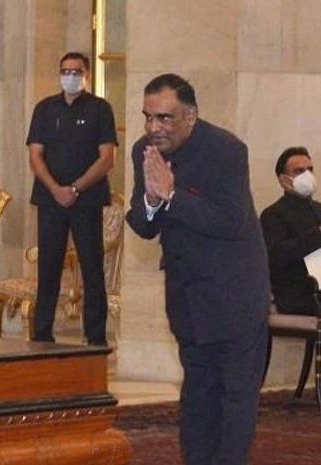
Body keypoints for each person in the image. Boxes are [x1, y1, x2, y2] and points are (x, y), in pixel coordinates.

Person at [125, 73, 269, 465]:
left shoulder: (226, 151)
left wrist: (171, 195)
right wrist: (153, 201)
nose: (154, 128)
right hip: (188, 297)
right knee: (197, 397)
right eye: (148, 117)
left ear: (191, 116)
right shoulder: (145, 149)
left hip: (235, 295)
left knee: (235, 397)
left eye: (165, 118)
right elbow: (143, 223)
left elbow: (230, 221)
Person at [26, 52, 117, 345]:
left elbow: (107, 158)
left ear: (87, 74)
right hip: (50, 200)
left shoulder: (100, 109)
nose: (70, 76)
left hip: (86, 201)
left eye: (76, 71)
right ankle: (42, 336)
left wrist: (75, 189)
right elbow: (35, 154)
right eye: (65, 71)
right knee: (48, 269)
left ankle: (95, 339)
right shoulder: (45, 108)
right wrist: (55, 189)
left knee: (92, 270)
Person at [260, 147, 321, 316]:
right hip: (295, 305)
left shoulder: (318, 209)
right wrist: (316, 235)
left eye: (310, 170)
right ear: (284, 179)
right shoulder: (273, 214)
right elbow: (275, 256)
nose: (307, 175)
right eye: (299, 171)